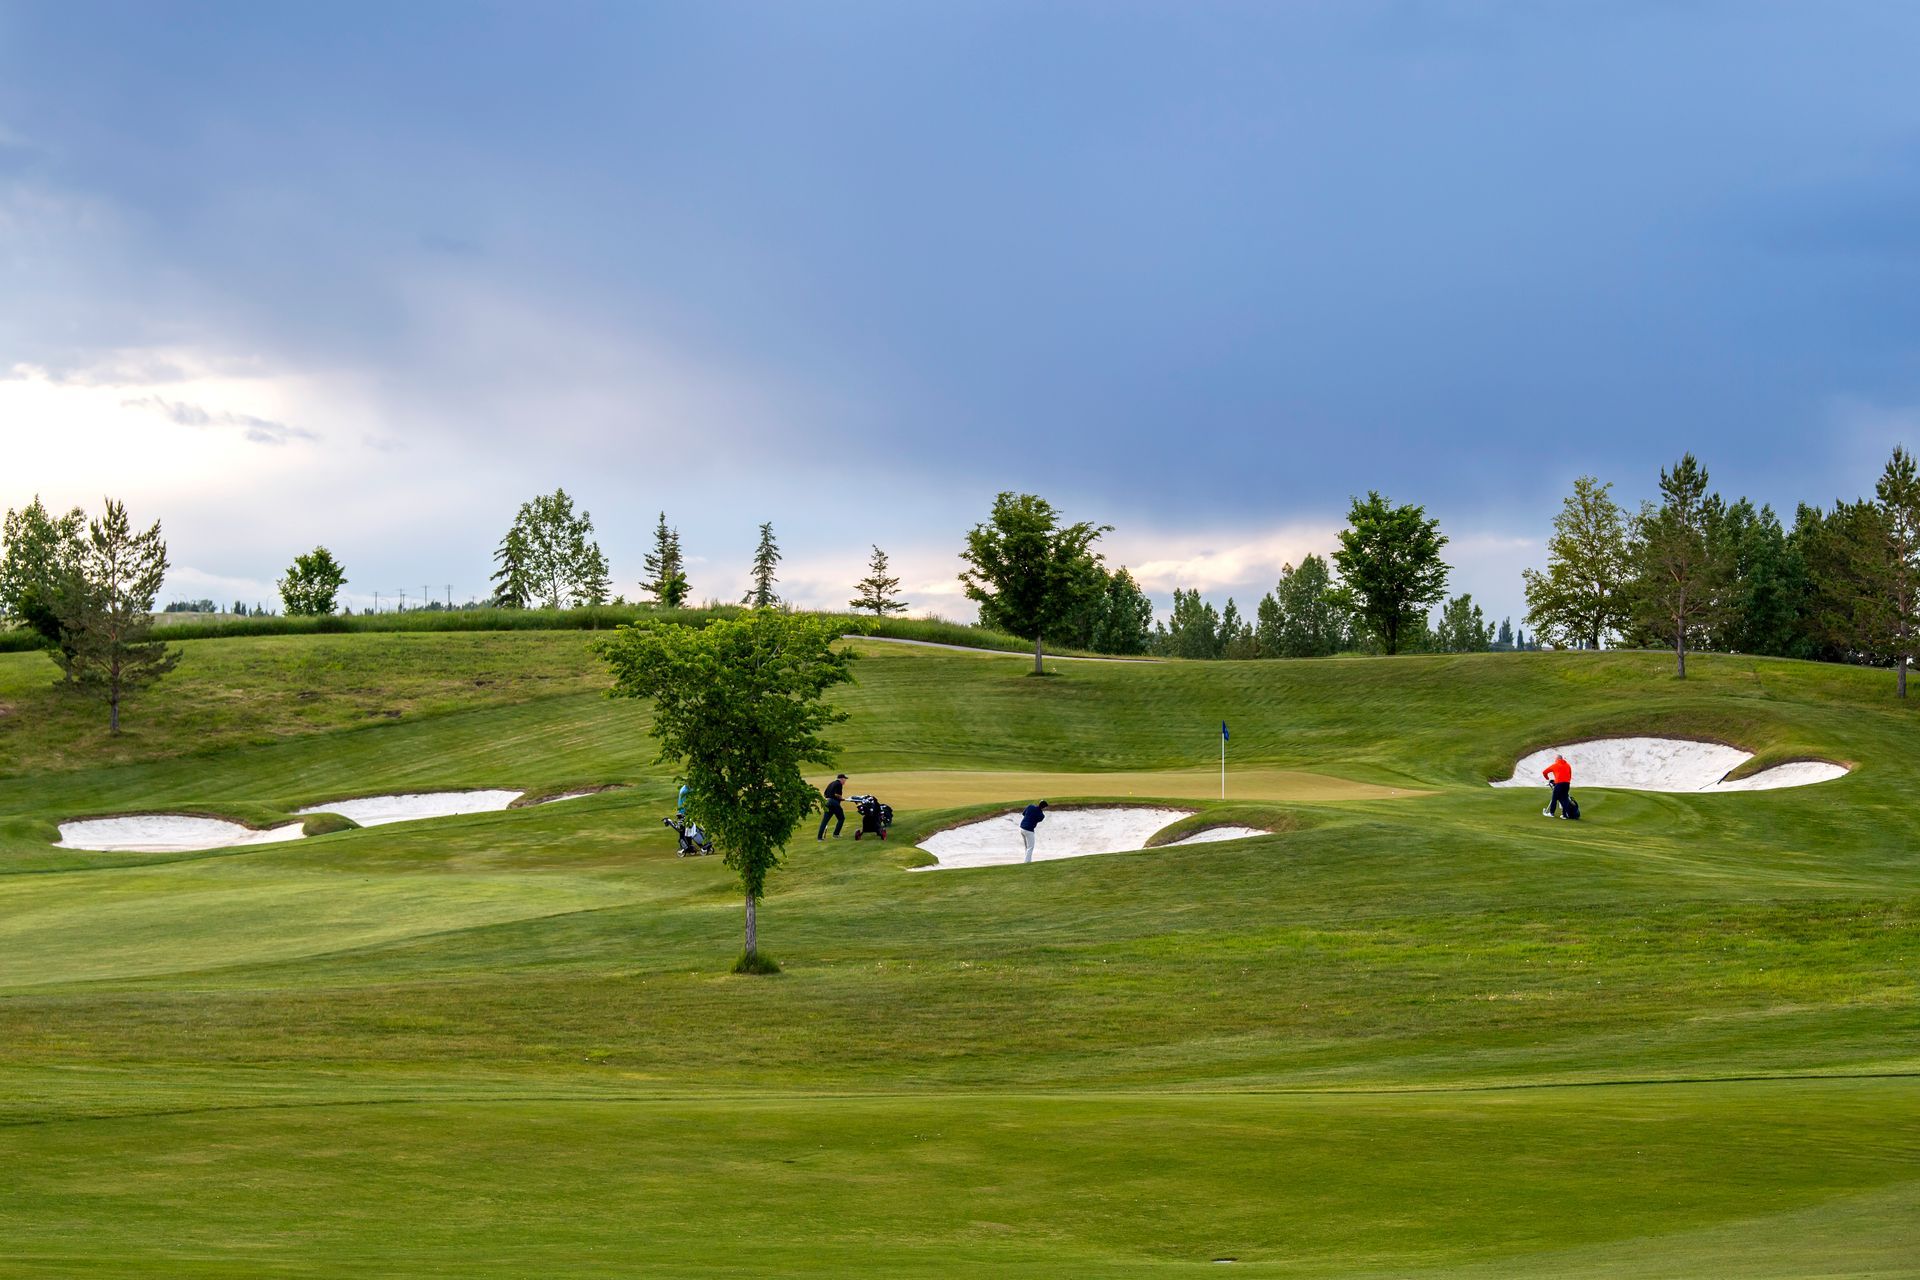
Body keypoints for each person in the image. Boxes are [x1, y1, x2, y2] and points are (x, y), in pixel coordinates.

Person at [817, 773, 848, 840]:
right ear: (842, 779)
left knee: (825, 821)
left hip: (827, 802)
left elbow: (825, 794)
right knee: (841, 818)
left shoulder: (831, 783)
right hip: (834, 803)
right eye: (845, 779)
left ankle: (819, 838)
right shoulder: (839, 784)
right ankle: (836, 834)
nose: (845, 781)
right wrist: (841, 798)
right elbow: (837, 794)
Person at [1542, 753, 1573, 818]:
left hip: (1559, 784)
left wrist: (1547, 778)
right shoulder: (1568, 765)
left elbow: (1544, 772)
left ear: (1557, 759)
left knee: (1554, 798)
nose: (1555, 760)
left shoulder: (1555, 765)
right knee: (1565, 799)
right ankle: (1564, 815)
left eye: (1555, 759)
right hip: (1567, 784)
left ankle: (1551, 813)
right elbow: (1570, 775)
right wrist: (1567, 781)